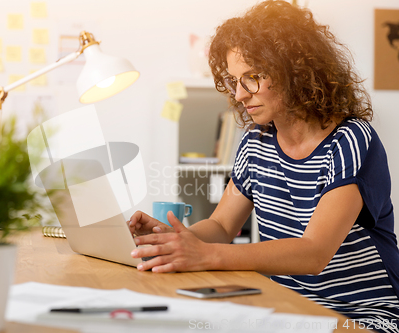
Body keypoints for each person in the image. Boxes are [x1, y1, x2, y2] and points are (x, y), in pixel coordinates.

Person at [129, 1, 399, 331]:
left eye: (253, 77)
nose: (240, 94)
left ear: (296, 71)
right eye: (234, 80)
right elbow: (222, 226)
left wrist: (206, 255)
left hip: (363, 316)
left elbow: (314, 254)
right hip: (288, 308)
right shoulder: (257, 141)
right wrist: (172, 239)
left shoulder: (352, 140)